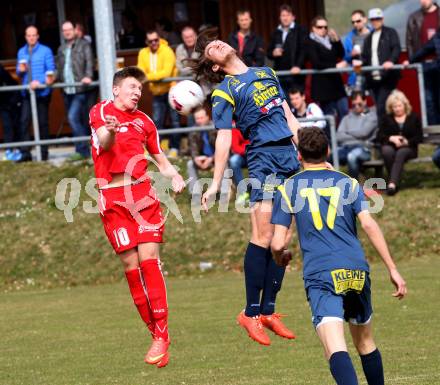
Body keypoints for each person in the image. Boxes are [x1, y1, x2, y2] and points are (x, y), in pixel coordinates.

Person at [188, 28, 301, 345]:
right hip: (263, 159)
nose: (218, 44)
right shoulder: (225, 90)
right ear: (214, 66)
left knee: (283, 239)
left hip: (289, 158)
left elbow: (289, 116)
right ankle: (250, 313)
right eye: (211, 49)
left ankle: (268, 311)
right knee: (264, 236)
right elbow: (223, 138)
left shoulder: (267, 72)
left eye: (217, 41)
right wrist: (214, 183)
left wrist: (309, 154)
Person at [271, 126, 407, 385]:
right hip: (356, 269)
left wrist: (281, 256)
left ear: (298, 154)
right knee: (365, 342)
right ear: (329, 151)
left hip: (322, 273)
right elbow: (368, 225)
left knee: (335, 348)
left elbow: (277, 243)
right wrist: (392, 268)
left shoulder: (289, 187)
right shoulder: (348, 182)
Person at [89, 66, 185, 368]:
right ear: (116, 88)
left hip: (143, 196)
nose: (136, 93)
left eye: (140, 90)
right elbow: (103, 141)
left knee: (149, 260)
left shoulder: (145, 121)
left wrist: (174, 175)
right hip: (113, 199)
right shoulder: (101, 111)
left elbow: (159, 158)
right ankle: (157, 334)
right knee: (131, 265)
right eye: (132, 87)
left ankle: (162, 334)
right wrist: (112, 130)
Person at [137, 30, 180, 158]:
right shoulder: (143, 53)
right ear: (147, 42)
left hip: (171, 90)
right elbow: (140, 73)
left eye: (156, 40)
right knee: (156, 122)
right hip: (156, 92)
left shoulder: (167, 51)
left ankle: (174, 148)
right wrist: (152, 77)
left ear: (159, 39)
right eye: (151, 41)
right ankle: (156, 149)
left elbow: (166, 73)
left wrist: (148, 77)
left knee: (175, 121)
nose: (154, 43)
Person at [16, 25, 56, 162]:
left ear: (37, 36)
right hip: (27, 93)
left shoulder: (46, 51)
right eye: (29, 35)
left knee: (42, 123)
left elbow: (51, 71)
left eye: (34, 35)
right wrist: (21, 70)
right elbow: (18, 73)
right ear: (26, 37)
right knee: (24, 121)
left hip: (42, 92)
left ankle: (44, 153)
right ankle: (26, 154)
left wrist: (39, 82)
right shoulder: (22, 52)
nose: (31, 38)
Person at [56, 21, 94, 160]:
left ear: (74, 30)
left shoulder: (84, 45)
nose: (67, 32)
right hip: (66, 90)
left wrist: (88, 76)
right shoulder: (61, 48)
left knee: (73, 118)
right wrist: (50, 80)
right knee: (76, 119)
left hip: (80, 89)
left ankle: (82, 150)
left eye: (69, 29)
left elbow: (90, 61)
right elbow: (59, 68)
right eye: (64, 30)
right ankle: (81, 149)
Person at [377, 90, 423, 195]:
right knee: (386, 151)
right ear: (391, 108)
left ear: (405, 105)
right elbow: (379, 136)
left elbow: (419, 137)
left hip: (409, 148)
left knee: (401, 153)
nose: (397, 109)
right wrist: (391, 138)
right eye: (394, 107)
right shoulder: (386, 118)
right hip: (391, 146)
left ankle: (392, 184)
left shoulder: (414, 117)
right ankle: (394, 181)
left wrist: (407, 141)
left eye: (399, 106)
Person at [305, 16, 348, 124]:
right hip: (323, 87)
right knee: (329, 117)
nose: (323, 29)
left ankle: (343, 138)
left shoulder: (329, 40)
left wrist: (337, 40)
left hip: (337, 85)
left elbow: (341, 54)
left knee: (344, 111)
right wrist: (336, 66)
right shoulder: (310, 42)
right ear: (313, 28)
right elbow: (316, 63)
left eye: (325, 27)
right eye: (320, 27)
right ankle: (331, 140)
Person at [361, 8, 401, 119]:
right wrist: (359, 64)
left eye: (378, 19)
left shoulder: (390, 32)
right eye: (373, 19)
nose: (375, 21)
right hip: (372, 79)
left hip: (387, 77)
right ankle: (385, 133)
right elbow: (365, 57)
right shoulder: (368, 37)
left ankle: (384, 134)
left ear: (382, 19)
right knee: (381, 108)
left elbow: (396, 48)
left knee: (382, 107)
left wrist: (391, 61)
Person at [406, 0, 440, 125]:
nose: (422, 1)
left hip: (438, 63)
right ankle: (433, 132)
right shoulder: (414, 17)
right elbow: (410, 42)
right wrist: (411, 60)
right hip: (423, 65)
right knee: (428, 100)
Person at [336, 90, 378, 179]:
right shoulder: (346, 118)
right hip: (345, 148)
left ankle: (354, 185)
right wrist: (358, 135)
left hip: (364, 149)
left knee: (351, 156)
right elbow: (338, 136)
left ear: (365, 101)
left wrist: (347, 132)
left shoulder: (372, 116)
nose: (357, 107)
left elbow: (364, 132)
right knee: (329, 155)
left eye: (359, 104)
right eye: (354, 105)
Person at [267, 4, 307, 95]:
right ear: (280, 18)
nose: (285, 18)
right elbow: (268, 52)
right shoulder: (276, 32)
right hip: (280, 74)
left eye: (288, 15)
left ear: (293, 17)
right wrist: (273, 53)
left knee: (296, 102)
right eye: (283, 15)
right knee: (283, 102)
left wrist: (298, 66)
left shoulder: (300, 30)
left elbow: (304, 50)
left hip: (296, 75)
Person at [186, 106, 217, 196]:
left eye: (201, 118)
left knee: (223, 161)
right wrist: (196, 159)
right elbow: (193, 148)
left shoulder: (216, 128)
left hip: (216, 157)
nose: (199, 121)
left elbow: (221, 150)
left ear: (208, 117)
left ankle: (224, 191)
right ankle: (195, 193)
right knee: (190, 164)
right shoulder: (194, 130)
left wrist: (211, 159)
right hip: (203, 158)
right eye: (197, 118)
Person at [342, 10, 371, 91]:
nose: (355, 24)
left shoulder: (374, 33)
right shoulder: (349, 37)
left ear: (365, 19)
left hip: (372, 74)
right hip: (356, 76)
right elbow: (344, 57)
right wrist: (351, 54)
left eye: (358, 21)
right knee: (357, 101)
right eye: (353, 22)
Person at [0, 63, 22, 161]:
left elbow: (7, 81)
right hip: (3, 102)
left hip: (12, 99)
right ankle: (10, 149)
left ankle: (16, 150)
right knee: (7, 125)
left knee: (13, 125)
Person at [230, 127, 250, 203]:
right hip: (243, 155)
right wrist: (249, 151)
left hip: (258, 153)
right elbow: (236, 147)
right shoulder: (235, 126)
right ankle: (243, 193)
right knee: (233, 160)